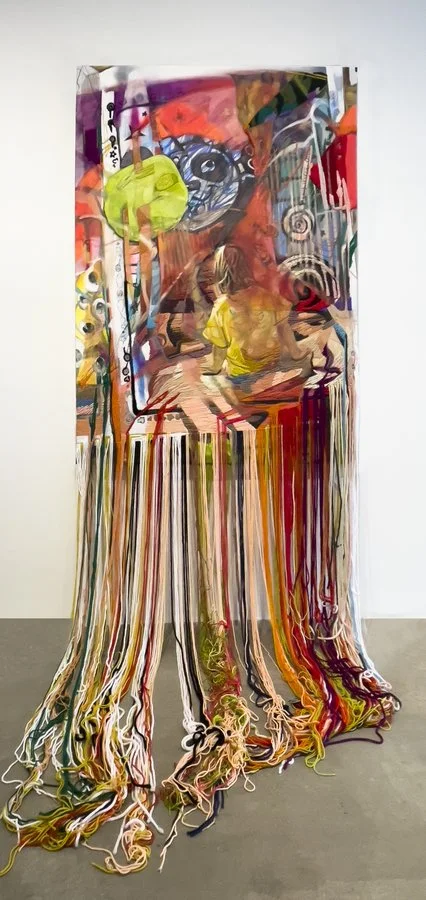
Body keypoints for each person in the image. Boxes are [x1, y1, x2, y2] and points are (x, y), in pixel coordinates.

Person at [200, 244, 310, 381]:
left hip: (241, 371)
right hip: (271, 362)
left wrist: (214, 368)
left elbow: (220, 346)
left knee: (226, 356)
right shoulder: (266, 295)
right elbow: (283, 327)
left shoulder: (221, 307)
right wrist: (296, 353)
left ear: (219, 273)